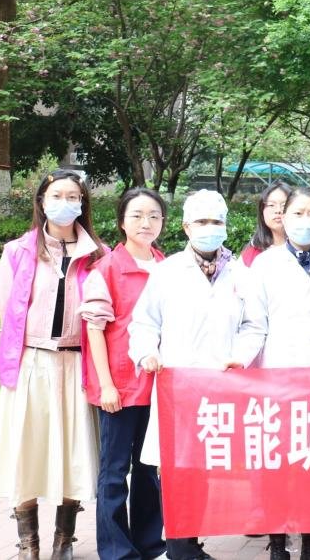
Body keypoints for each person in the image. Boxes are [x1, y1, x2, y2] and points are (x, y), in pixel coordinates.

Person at [0, 170, 107, 560]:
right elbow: (7, 311)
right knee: (26, 450)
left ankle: (63, 540)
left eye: (73, 196)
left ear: (83, 203)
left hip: (76, 364)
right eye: (56, 195)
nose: (64, 203)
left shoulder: (98, 254)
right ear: (41, 201)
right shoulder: (18, 251)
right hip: (31, 362)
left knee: (74, 452)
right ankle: (29, 542)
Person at [231, 186, 310, 559]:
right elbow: (254, 325)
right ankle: (278, 541)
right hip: (277, 377)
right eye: (297, 213)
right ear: (282, 218)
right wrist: (239, 360)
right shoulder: (265, 264)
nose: (305, 221)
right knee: (277, 463)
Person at [129, 189, 244, 560]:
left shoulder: (240, 272)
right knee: (177, 467)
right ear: (185, 227)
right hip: (177, 384)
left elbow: (254, 323)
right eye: (201, 221)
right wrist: (147, 352)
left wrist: (241, 355)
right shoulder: (167, 272)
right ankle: (179, 547)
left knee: (205, 466)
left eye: (216, 221)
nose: (210, 228)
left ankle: (192, 543)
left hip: (220, 382)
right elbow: (144, 322)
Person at [78, 187, 168, 560]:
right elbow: (94, 330)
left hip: (158, 388)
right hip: (120, 386)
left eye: (154, 216)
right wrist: (106, 386)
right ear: (121, 222)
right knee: (115, 473)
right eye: (137, 215)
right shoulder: (107, 269)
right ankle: (116, 551)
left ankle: (150, 544)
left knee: (148, 469)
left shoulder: (167, 267)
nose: (146, 223)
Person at [240, 181, 292, 266]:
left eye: (284, 205)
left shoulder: (308, 249)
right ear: (262, 211)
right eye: (271, 205)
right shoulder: (250, 255)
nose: (278, 210)